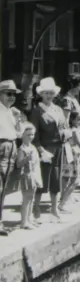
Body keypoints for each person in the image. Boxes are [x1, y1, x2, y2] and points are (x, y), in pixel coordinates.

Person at [31, 77, 70, 221]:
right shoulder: (37, 111)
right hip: (45, 149)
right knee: (42, 180)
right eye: (46, 93)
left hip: (59, 148)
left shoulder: (58, 109)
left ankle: (54, 209)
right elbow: (33, 135)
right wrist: (40, 150)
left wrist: (67, 132)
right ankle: (36, 209)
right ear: (41, 94)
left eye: (51, 93)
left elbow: (65, 126)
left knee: (56, 179)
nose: (49, 96)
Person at [0, 80, 23, 234]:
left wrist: (18, 119)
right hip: (2, 146)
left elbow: (19, 133)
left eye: (14, 94)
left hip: (11, 146)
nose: (11, 97)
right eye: (8, 94)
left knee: (5, 187)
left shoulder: (12, 111)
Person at [16, 123, 42, 229]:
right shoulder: (22, 149)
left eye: (32, 135)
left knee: (32, 198)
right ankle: (23, 221)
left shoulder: (33, 147)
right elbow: (18, 164)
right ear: (22, 135)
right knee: (26, 199)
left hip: (34, 174)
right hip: (26, 176)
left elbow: (35, 162)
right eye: (28, 135)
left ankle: (29, 219)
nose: (30, 137)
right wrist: (27, 158)